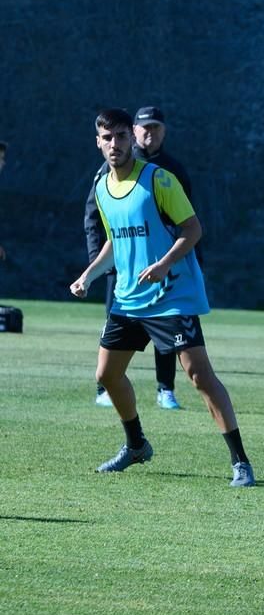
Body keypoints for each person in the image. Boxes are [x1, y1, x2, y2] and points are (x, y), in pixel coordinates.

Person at [70, 108, 254, 487]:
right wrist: (89, 274)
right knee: (107, 374)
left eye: (122, 136)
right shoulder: (102, 186)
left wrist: (164, 264)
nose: (115, 144)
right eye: (108, 138)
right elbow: (113, 241)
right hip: (128, 298)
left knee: (199, 377)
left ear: (131, 139)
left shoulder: (158, 179)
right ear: (98, 142)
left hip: (170, 296)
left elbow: (192, 228)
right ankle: (136, 445)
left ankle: (240, 462)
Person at [84, 106, 195, 409]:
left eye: (156, 128)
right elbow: (95, 220)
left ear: (164, 131)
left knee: (171, 339)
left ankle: (165, 389)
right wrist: (99, 264)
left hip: (161, 269)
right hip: (120, 269)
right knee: (113, 330)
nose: (150, 133)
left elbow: (187, 222)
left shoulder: (170, 171)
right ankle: (105, 388)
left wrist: (170, 261)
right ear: (135, 132)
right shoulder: (107, 172)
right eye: (144, 128)